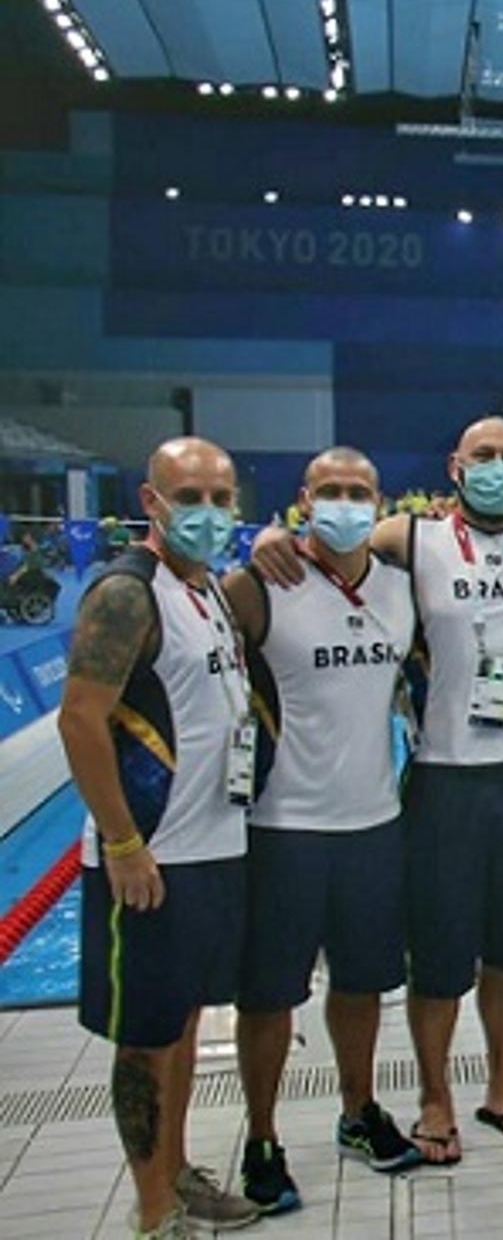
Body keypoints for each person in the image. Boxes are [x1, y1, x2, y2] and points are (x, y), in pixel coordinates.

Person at [251, 416, 503, 1163]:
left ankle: (501, 1085)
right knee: (438, 958)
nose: (497, 467)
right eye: (483, 456)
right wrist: (271, 539)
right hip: (443, 780)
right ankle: (435, 1096)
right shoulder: (414, 538)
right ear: (454, 466)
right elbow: (329, 552)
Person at [58, 437, 260, 1239]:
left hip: (213, 849)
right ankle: (152, 1213)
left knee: (178, 1027)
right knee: (144, 1039)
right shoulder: (125, 593)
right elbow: (80, 717)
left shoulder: (206, 589)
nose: (208, 514)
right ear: (151, 502)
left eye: (220, 498)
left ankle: (176, 1173)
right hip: (149, 860)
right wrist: (122, 842)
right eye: (190, 497)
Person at [224, 448, 422, 1212]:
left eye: (360, 492)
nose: (345, 502)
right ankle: (262, 1137)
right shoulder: (260, 585)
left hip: (376, 822)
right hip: (284, 827)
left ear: (381, 502)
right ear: (303, 500)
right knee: (269, 994)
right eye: (330, 491)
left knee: (364, 982)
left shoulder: (402, 588)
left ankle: (358, 1112)